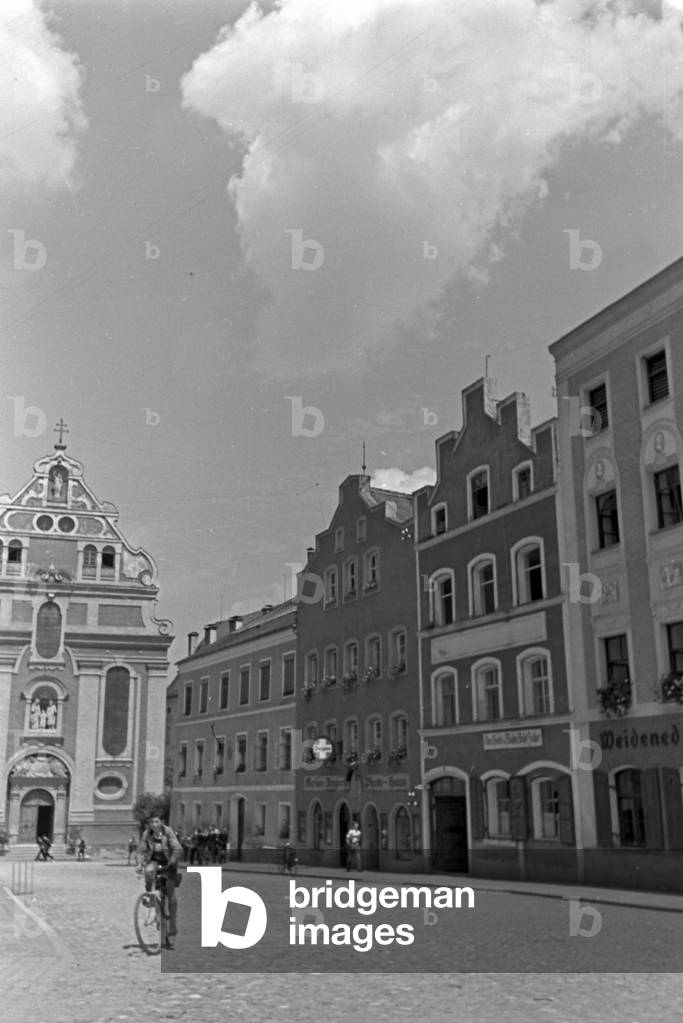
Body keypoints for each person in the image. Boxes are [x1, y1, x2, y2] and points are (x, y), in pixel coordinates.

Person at [137, 815, 182, 950]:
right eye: (152, 822)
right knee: (148, 871)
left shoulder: (168, 832)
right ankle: (150, 896)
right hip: (155, 862)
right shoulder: (147, 834)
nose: (154, 824)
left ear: (161, 822)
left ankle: (172, 926)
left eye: (157, 821)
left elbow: (177, 848)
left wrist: (172, 861)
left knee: (171, 895)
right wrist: (139, 863)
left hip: (169, 863)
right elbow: (141, 849)